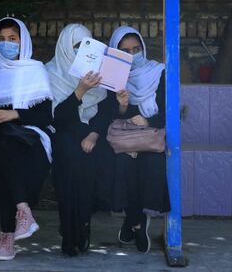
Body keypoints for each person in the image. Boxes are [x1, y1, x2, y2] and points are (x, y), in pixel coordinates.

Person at [89, 25, 170, 254]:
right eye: (125, 51)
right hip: (123, 137)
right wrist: (123, 106)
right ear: (115, 53)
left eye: (136, 49)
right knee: (121, 163)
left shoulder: (158, 71)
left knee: (149, 162)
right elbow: (108, 112)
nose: (132, 55)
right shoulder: (112, 75)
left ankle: (131, 221)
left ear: (143, 48)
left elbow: (167, 109)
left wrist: (148, 121)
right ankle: (137, 221)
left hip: (151, 134)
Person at [0, 17, 54, 261]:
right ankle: (22, 214)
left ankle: (8, 233)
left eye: (13, 39)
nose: (6, 44)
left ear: (23, 41)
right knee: (2, 148)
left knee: (5, 151)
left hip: (30, 136)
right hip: (0, 136)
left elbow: (44, 116)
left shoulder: (35, 69)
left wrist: (16, 114)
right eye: (1, 39)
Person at [46, 24, 110, 256]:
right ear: (64, 47)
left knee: (89, 160)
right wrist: (80, 90)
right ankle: (71, 231)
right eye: (76, 46)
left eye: (86, 46)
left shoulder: (99, 76)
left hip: (92, 133)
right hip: (63, 132)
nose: (80, 51)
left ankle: (82, 225)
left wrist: (93, 134)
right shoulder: (50, 73)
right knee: (70, 157)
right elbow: (58, 118)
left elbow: (104, 112)